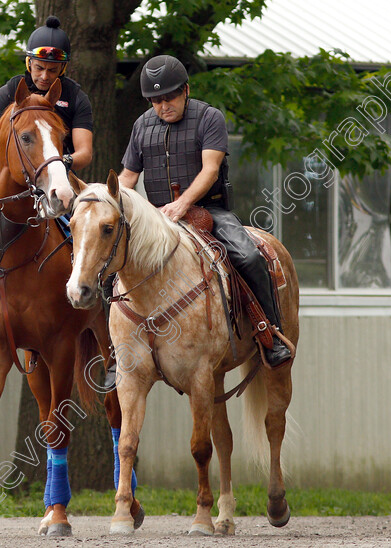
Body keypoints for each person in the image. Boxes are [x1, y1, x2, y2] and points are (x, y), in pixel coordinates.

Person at [113, 54, 292, 379]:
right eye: (155, 100)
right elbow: (127, 177)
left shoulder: (209, 118)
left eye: (168, 97)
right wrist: (104, 200)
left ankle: (270, 334)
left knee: (249, 256)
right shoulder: (141, 125)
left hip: (209, 210)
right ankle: (116, 354)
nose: (162, 105)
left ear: (185, 90)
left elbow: (210, 170)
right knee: (108, 263)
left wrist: (182, 205)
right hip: (157, 218)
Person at [0, 15, 94, 271]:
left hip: (56, 173)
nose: (44, 76)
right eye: (39, 67)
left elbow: (85, 151)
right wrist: (5, 173)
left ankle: (90, 272)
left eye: (52, 70)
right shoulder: (9, 92)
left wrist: (58, 164)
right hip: (15, 174)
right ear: (29, 62)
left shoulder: (75, 97)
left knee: (92, 207)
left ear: (62, 69)